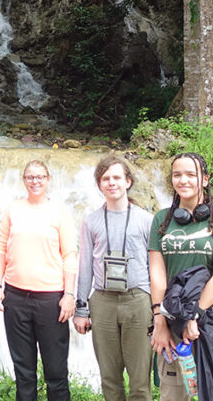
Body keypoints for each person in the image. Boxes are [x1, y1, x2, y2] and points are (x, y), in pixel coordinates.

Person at [149, 152, 213, 401]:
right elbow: (157, 273)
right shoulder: (162, 220)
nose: (183, 180)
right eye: (177, 174)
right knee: (174, 396)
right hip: (174, 320)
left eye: (191, 174)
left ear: (205, 179)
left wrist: (195, 314)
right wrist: (159, 321)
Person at [0, 159, 77, 401]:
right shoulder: (13, 209)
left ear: (48, 180)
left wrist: (69, 295)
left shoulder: (59, 211)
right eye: (30, 177)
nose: (35, 181)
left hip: (51, 300)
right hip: (16, 297)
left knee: (56, 371)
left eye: (40, 177)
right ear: (23, 180)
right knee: (24, 371)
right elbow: (0, 249)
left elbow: (70, 254)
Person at [73, 156, 153, 401]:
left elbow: (155, 266)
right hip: (103, 301)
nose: (111, 183)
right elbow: (85, 266)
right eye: (105, 178)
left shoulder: (145, 219)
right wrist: (81, 308)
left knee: (140, 380)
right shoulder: (91, 221)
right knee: (110, 378)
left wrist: (158, 308)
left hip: (137, 299)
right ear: (99, 184)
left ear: (128, 182)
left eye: (117, 177)